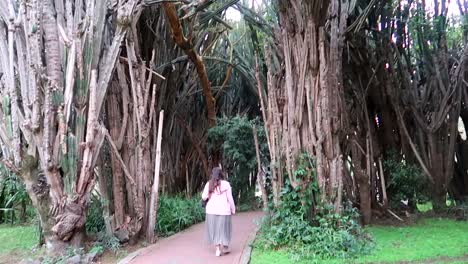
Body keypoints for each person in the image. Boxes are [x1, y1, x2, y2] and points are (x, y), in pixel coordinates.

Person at [201, 167, 236, 257]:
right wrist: (233, 208)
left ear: (212, 174)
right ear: (221, 174)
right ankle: (225, 247)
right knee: (225, 229)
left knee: (215, 230)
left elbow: (204, 197)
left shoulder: (209, 184)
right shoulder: (226, 184)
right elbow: (230, 198)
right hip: (224, 211)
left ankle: (217, 250)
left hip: (211, 211)